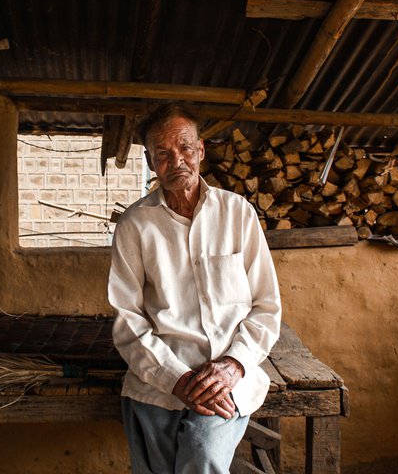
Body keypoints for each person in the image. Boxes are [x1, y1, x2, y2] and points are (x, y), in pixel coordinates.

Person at [108, 103, 282, 473]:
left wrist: (234, 366)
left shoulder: (238, 214)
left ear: (201, 150)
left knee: (202, 455)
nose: (177, 161)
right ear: (151, 161)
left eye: (185, 148)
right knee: (159, 466)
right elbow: (127, 319)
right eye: (163, 154)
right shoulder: (135, 225)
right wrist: (177, 379)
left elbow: (266, 307)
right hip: (159, 375)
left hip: (226, 377)